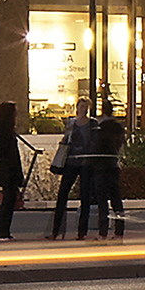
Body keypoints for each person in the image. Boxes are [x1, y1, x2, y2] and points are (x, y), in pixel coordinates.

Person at [47, 99, 96, 240]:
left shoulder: (92, 124)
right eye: (81, 106)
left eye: (86, 107)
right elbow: (66, 139)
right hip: (71, 161)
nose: (83, 109)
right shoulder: (71, 123)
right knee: (63, 194)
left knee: (85, 196)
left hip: (85, 162)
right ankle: (56, 230)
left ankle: (82, 232)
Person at [0, 102, 25, 241]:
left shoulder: (1, 131)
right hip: (9, 171)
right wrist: (17, 174)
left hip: (6, 171)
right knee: (8, 202)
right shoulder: (6, 133)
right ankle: (0, 231)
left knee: (8, 201)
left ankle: (2, 231)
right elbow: (10, 155)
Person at [85, 112, 127, 239]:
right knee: (116, 200)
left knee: (102, 202)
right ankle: (119, 230)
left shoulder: (100, 129)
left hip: (101, 167)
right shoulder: (117, 129)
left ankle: (103, 231)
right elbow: (121, 145)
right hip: (112, 166)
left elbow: (94, 147)